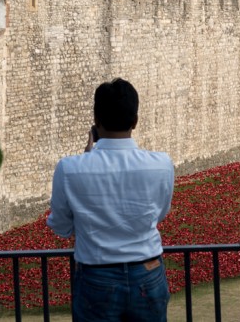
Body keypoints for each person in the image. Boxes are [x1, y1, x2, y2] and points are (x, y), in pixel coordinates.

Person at [47, 78, 175, 321]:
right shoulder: (161, 164)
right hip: (147, 270)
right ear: (135, 121)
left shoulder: (70, 168)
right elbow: (159, 213)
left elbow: (61, 227)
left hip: (97, 274)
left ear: (96, 120)